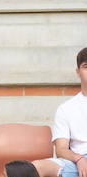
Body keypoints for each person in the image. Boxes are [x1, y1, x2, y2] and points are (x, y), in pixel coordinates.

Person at [32, 49, 87, 177]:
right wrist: (79, 159)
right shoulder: (66, 108)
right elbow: (61, 149)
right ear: (78, 72)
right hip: (77, 163)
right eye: (86, 66)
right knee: (34, 167)